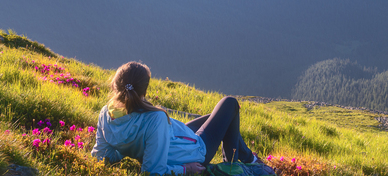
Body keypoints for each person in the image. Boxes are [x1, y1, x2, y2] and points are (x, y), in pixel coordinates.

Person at [91, 61, 275, 175]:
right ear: (144, 91)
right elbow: (152, 172)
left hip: (172, 139)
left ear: (116, 86)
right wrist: (186, 170)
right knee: (229, 104)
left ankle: (245, 155)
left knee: (217, 118)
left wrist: (126, 148)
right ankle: (235, 163)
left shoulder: (106, 114)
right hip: (193, 153)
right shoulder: (155, 119)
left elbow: (101, 157)